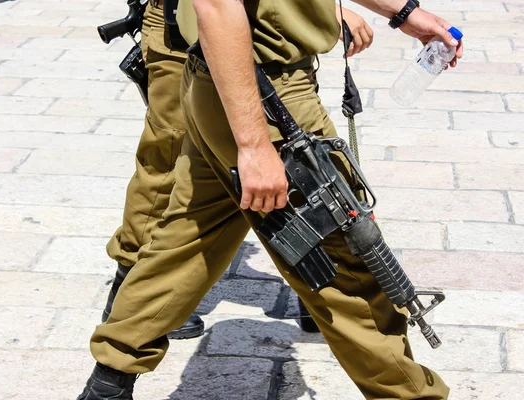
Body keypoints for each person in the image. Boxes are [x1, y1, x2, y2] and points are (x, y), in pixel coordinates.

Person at [77, 0, 460, 398]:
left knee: (187, 241)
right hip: (263, 93)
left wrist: (404, 13)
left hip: (228, 80)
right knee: (350, 272)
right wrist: (254, 145)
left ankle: (108, 383)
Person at [99, 0, 374, 338]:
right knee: (167, 165)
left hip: (263, 39)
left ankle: (318, 285)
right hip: (180, 31)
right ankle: (130, 287)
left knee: (300, 170)